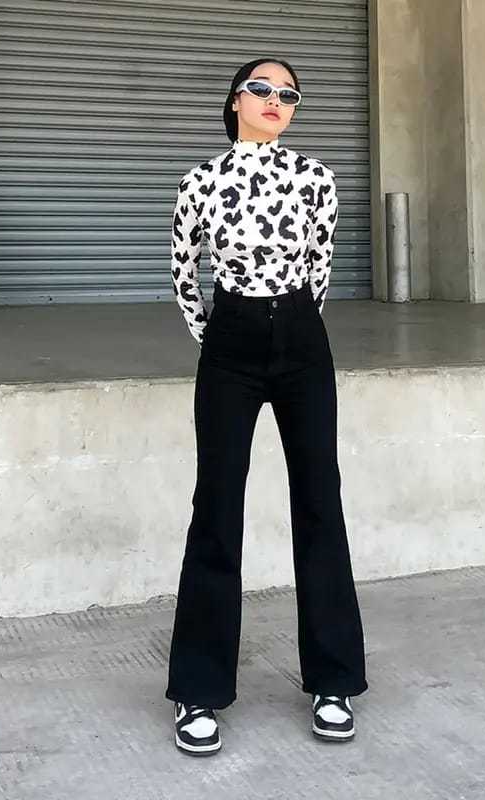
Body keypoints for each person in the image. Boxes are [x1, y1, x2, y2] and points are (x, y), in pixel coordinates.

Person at [166, 57, 368, 756]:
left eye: (288, 94)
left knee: (319, 499)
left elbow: (320, 268)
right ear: (234, 102)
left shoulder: (317, 179)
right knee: (216, 504)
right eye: (261, 89)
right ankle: (198, 688)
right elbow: (183, 270)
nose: (275, 100)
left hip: (303, 342)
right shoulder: (200, 180)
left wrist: (290, 327)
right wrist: (220, 336)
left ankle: (333, 681)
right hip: (231, 342)